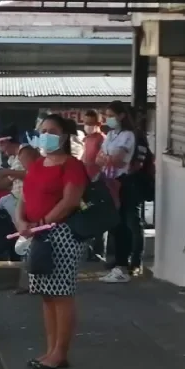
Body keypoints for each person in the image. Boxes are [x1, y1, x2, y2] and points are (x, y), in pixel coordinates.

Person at [15, 114, 87, 369]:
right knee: (46, 295)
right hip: (37, 235)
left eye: (52, 130)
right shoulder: (37, 165)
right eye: (42, 130)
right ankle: (50, 350)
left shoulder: (72, 166)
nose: (45, 134)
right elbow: (24, 197)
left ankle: (60, 352)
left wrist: (42, 222)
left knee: (61, 294)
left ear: (65, 136)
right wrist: (22, 222)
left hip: (61, 234)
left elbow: (69, 201)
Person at [96, 101, 142, 283]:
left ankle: (123, 266)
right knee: (114, 224)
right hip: (109, 181)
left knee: (123, 225)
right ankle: (116, 264)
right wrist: (108, 158)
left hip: (122, 183)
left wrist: (108, 158)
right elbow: (99, 159)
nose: (108, 118)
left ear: (121, 116)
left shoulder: (128, 136)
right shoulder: (111, 135)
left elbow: (117, 160)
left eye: (111, 115)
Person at [81, 110, 106, 261]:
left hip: (96, 183)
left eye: (91, 123)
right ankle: (89, 250)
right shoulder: (86, 139)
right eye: (86, 123)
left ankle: (98, 251)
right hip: (85, 182)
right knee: (87, 215)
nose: (87, 126)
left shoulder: (102, 139)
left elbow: (101, 163)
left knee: (97, 217)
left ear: (98, 124)